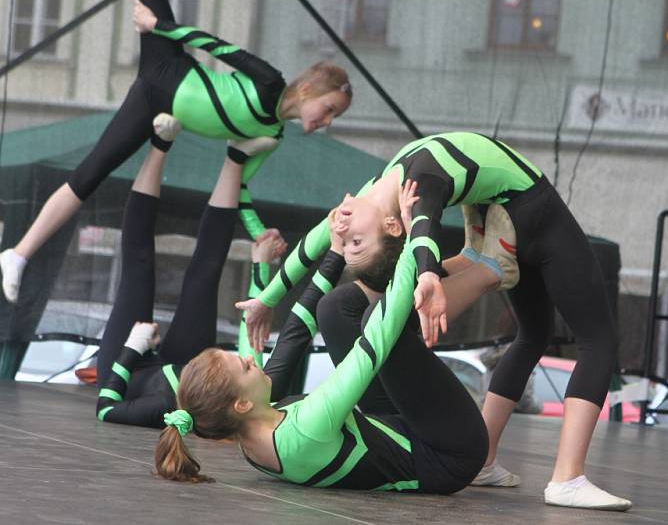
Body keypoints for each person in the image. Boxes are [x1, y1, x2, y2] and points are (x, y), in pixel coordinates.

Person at [238, 132, 632, 511]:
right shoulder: (413, 192)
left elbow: (312, 244)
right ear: (393, 226)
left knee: (532, 335)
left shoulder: (374, 192)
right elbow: (423, 232)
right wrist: (427, 275)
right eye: (352, 244)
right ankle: (567, 478)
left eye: (350, 242)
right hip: (532, 210)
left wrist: (265, 299)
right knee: (599, 340)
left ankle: (486, 460)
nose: (340, 232)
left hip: (492, 213)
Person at [0, 0, 351, 304]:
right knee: (87, 174)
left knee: (90, 174)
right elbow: (214, 44)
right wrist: (158, 25)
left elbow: (240, 186)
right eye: (329, 109)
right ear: (307, 91)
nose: (328, 120)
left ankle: (16, 255)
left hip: (152, 104)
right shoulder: (269, 80)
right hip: (167, 65)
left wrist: (257, 230)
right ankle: (19, 255)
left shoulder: (272, 135)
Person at [154, 190, 490, 494]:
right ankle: (492, 269)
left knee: (333, 308)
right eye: (244, 366)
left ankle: (466, 259)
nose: (252, 359)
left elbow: (297, 331)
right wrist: (412, 234)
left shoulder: (252, 434)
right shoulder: (308, 428)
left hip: (395, 426)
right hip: (450, 453)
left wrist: (335, 250)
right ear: (240, 404)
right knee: (377, 318)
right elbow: (377, 339)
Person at [96, 121, 287, 427]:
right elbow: (252, 328)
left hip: (130, 368)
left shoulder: (163, 405)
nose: (250, 360)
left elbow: (105, 409)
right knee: (205, 276)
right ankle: (235, 158)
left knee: (138, 267)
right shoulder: (231, 396)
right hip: (190, 367)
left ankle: (160, 143)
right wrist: (260, 263)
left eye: (247, 367)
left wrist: (133, 347)